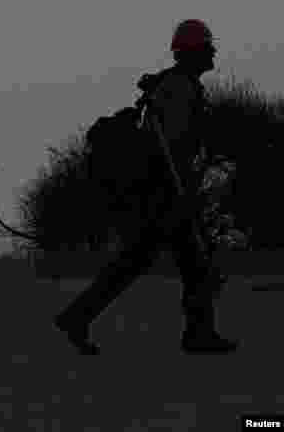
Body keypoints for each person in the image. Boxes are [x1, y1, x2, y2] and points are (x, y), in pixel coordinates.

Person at [55, 19, 239, 355]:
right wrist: (181, 189)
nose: (213, 52)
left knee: (150, 260)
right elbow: (171, 144)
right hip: (164, 188)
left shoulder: (175, 84)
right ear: (193, 51)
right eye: (208, 46)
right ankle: (197, 334)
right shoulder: (179, 87)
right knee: (183, 260)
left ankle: (79, 317)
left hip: (160, 188)